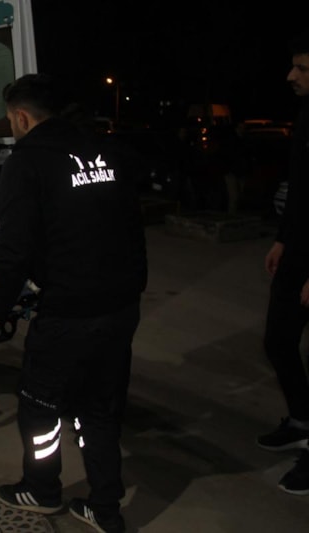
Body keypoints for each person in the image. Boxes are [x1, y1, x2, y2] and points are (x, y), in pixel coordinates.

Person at [0, 74, 147, 533]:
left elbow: (14, 249)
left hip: (69, 311)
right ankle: (105, 509)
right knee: (100, 408)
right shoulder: (106, 150)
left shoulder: (27, 162)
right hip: (120, 305)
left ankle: (42, 489)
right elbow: (133, 224)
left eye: (11, 121)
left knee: (39, 406)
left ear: (22, 117)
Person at [257, 30, 309, 497]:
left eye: (303, 68)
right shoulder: (306, 111)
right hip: (298, 251)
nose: (290, 75)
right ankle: (301, 420)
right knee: (278, 341)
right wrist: (282, 240)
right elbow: (301, 190)